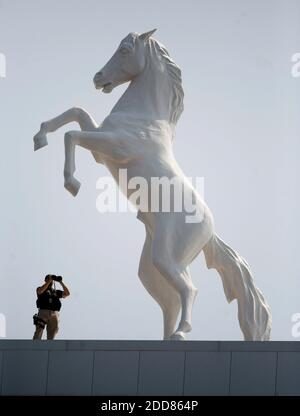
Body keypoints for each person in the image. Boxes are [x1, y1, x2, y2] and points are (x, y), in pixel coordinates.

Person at [33, 274, 70, 340]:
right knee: (39, 330)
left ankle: (50, 345)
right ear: (45, 280)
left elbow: (67, 293)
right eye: (48, 278)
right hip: (43, 311)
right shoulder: (40, 288)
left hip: (54, 313)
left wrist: (60, 282)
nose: (51, 280)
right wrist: (49, 280)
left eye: (52, 279)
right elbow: (40, 291)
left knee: (52, 331)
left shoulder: (55, 292)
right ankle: (36, 344)